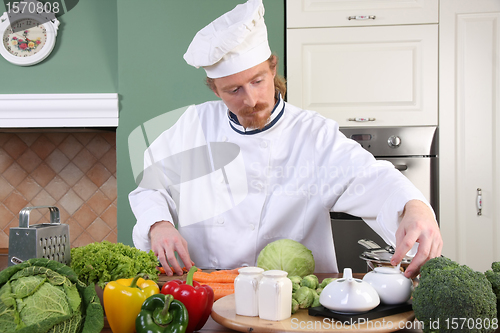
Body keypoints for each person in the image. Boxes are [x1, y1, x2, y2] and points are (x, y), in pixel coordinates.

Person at [129, 0, 442, 279]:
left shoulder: (313, 136)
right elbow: (150, 187)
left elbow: (373, 178)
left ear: (272, 67)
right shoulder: (193, 127)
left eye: (257, 81)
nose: (250, 100)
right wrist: (159, 225)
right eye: (233, 90)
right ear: (214, 90)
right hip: (208, 302)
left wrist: (414, 207)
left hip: (293, 308)